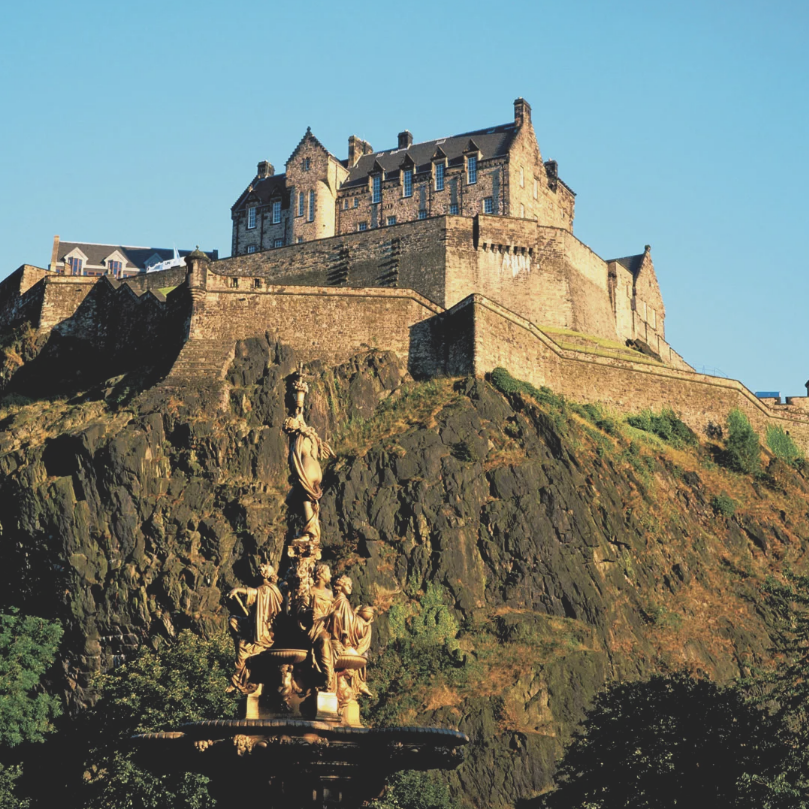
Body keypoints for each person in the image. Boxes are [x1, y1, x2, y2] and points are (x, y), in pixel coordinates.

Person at [226, 562, 283, 694]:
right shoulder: (264, 588)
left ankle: (236, 680)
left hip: (265, 631)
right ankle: (246, 642)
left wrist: (238, 590)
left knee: (242, 649)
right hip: (255, 626)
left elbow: (255, 593)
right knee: (233, 620)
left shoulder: (268, 589)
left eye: (262, 569)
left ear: (267, 574)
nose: (260, 569)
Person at [329, 575, 374, 697]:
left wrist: (355, 614)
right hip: (344, 637)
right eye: (348, 584)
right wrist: (363, 622)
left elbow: (348, 619)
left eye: (351, 585)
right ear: (341, 585)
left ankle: (359, 683)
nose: (350, 587)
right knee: (367, 629)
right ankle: (359, 683)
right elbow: (347, 622)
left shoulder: (342, 600)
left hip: (345, 633)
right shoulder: (342, 601)